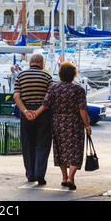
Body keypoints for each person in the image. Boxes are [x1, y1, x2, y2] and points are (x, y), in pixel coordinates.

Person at [28, 61, 92, 191]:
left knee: (60, 150)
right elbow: (82, 110)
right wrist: (87, 125)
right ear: (74, 75)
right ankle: (71, 178)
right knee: (75, 151)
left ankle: (64, 177)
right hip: (74, 123)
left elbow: (45, 104)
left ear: (60, 74)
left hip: (58, 123)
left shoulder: (53, 88)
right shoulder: (78, 90)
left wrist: (35, 113)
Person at [13, 53, 53, 185]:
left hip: (26, 112)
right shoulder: (47, 76)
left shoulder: (21, 75)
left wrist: (25, 112)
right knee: (42, 144)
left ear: (31, 63)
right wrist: (38, 111)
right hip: (43, 113)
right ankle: (40, 174)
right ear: (41, 63)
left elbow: (16, 96)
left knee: (27, 144)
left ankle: (30, 174)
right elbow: (49, 97)